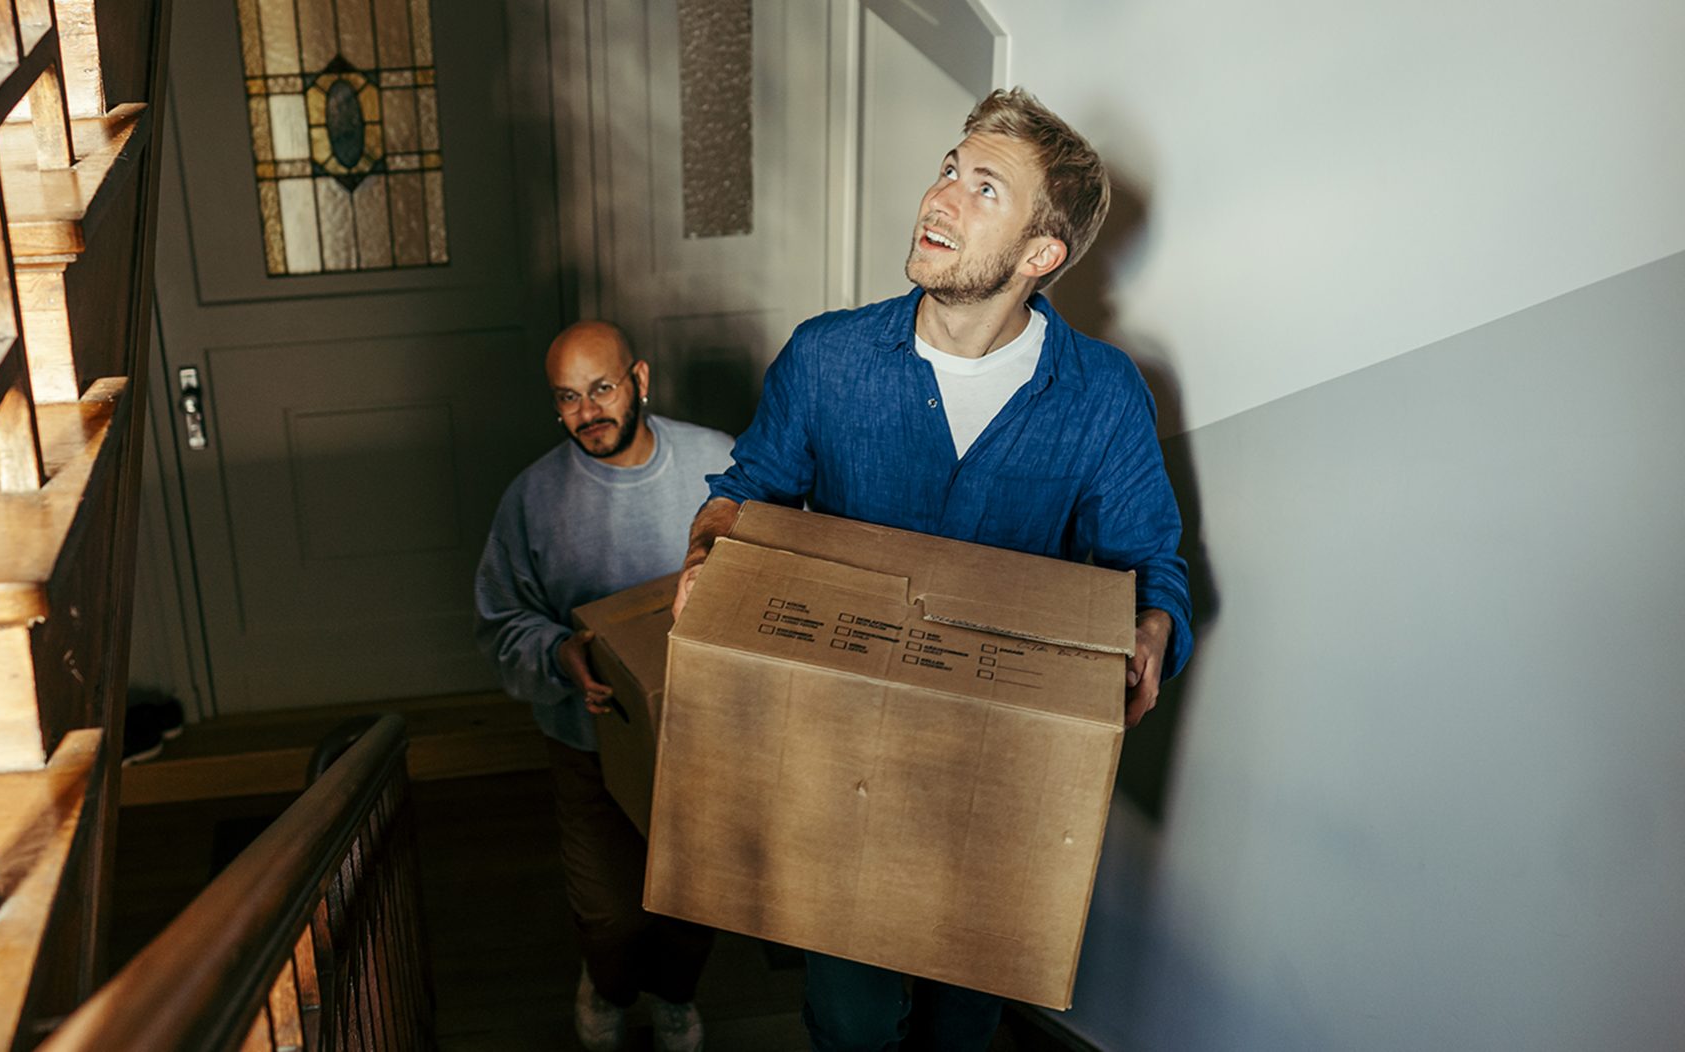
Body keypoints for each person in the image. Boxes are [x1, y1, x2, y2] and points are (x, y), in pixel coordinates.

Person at [671, 87, 1195, 1052]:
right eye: (949, 169)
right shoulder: (827, 359)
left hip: (1003, 776)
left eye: (983, 187)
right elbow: (750, 489)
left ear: (1042, 256)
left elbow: (1148, 566)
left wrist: (1154, 628)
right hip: (844, 761)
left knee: (965, 1021)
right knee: (851, 1017)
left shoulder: (1104, 395)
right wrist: (713, 546)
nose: (940, 198)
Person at [475, 320, 738, 1052]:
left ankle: (676, 998)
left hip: (703, 737)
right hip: (586, 740)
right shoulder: (531, 500)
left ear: (640, 381)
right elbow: (499, 623)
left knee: (691, 904)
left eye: (601, 389)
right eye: (567, 398)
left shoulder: (719, 464)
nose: (587, 413)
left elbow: (776, 575)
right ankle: (612, 987)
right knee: (611, 915)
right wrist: (561, 656)